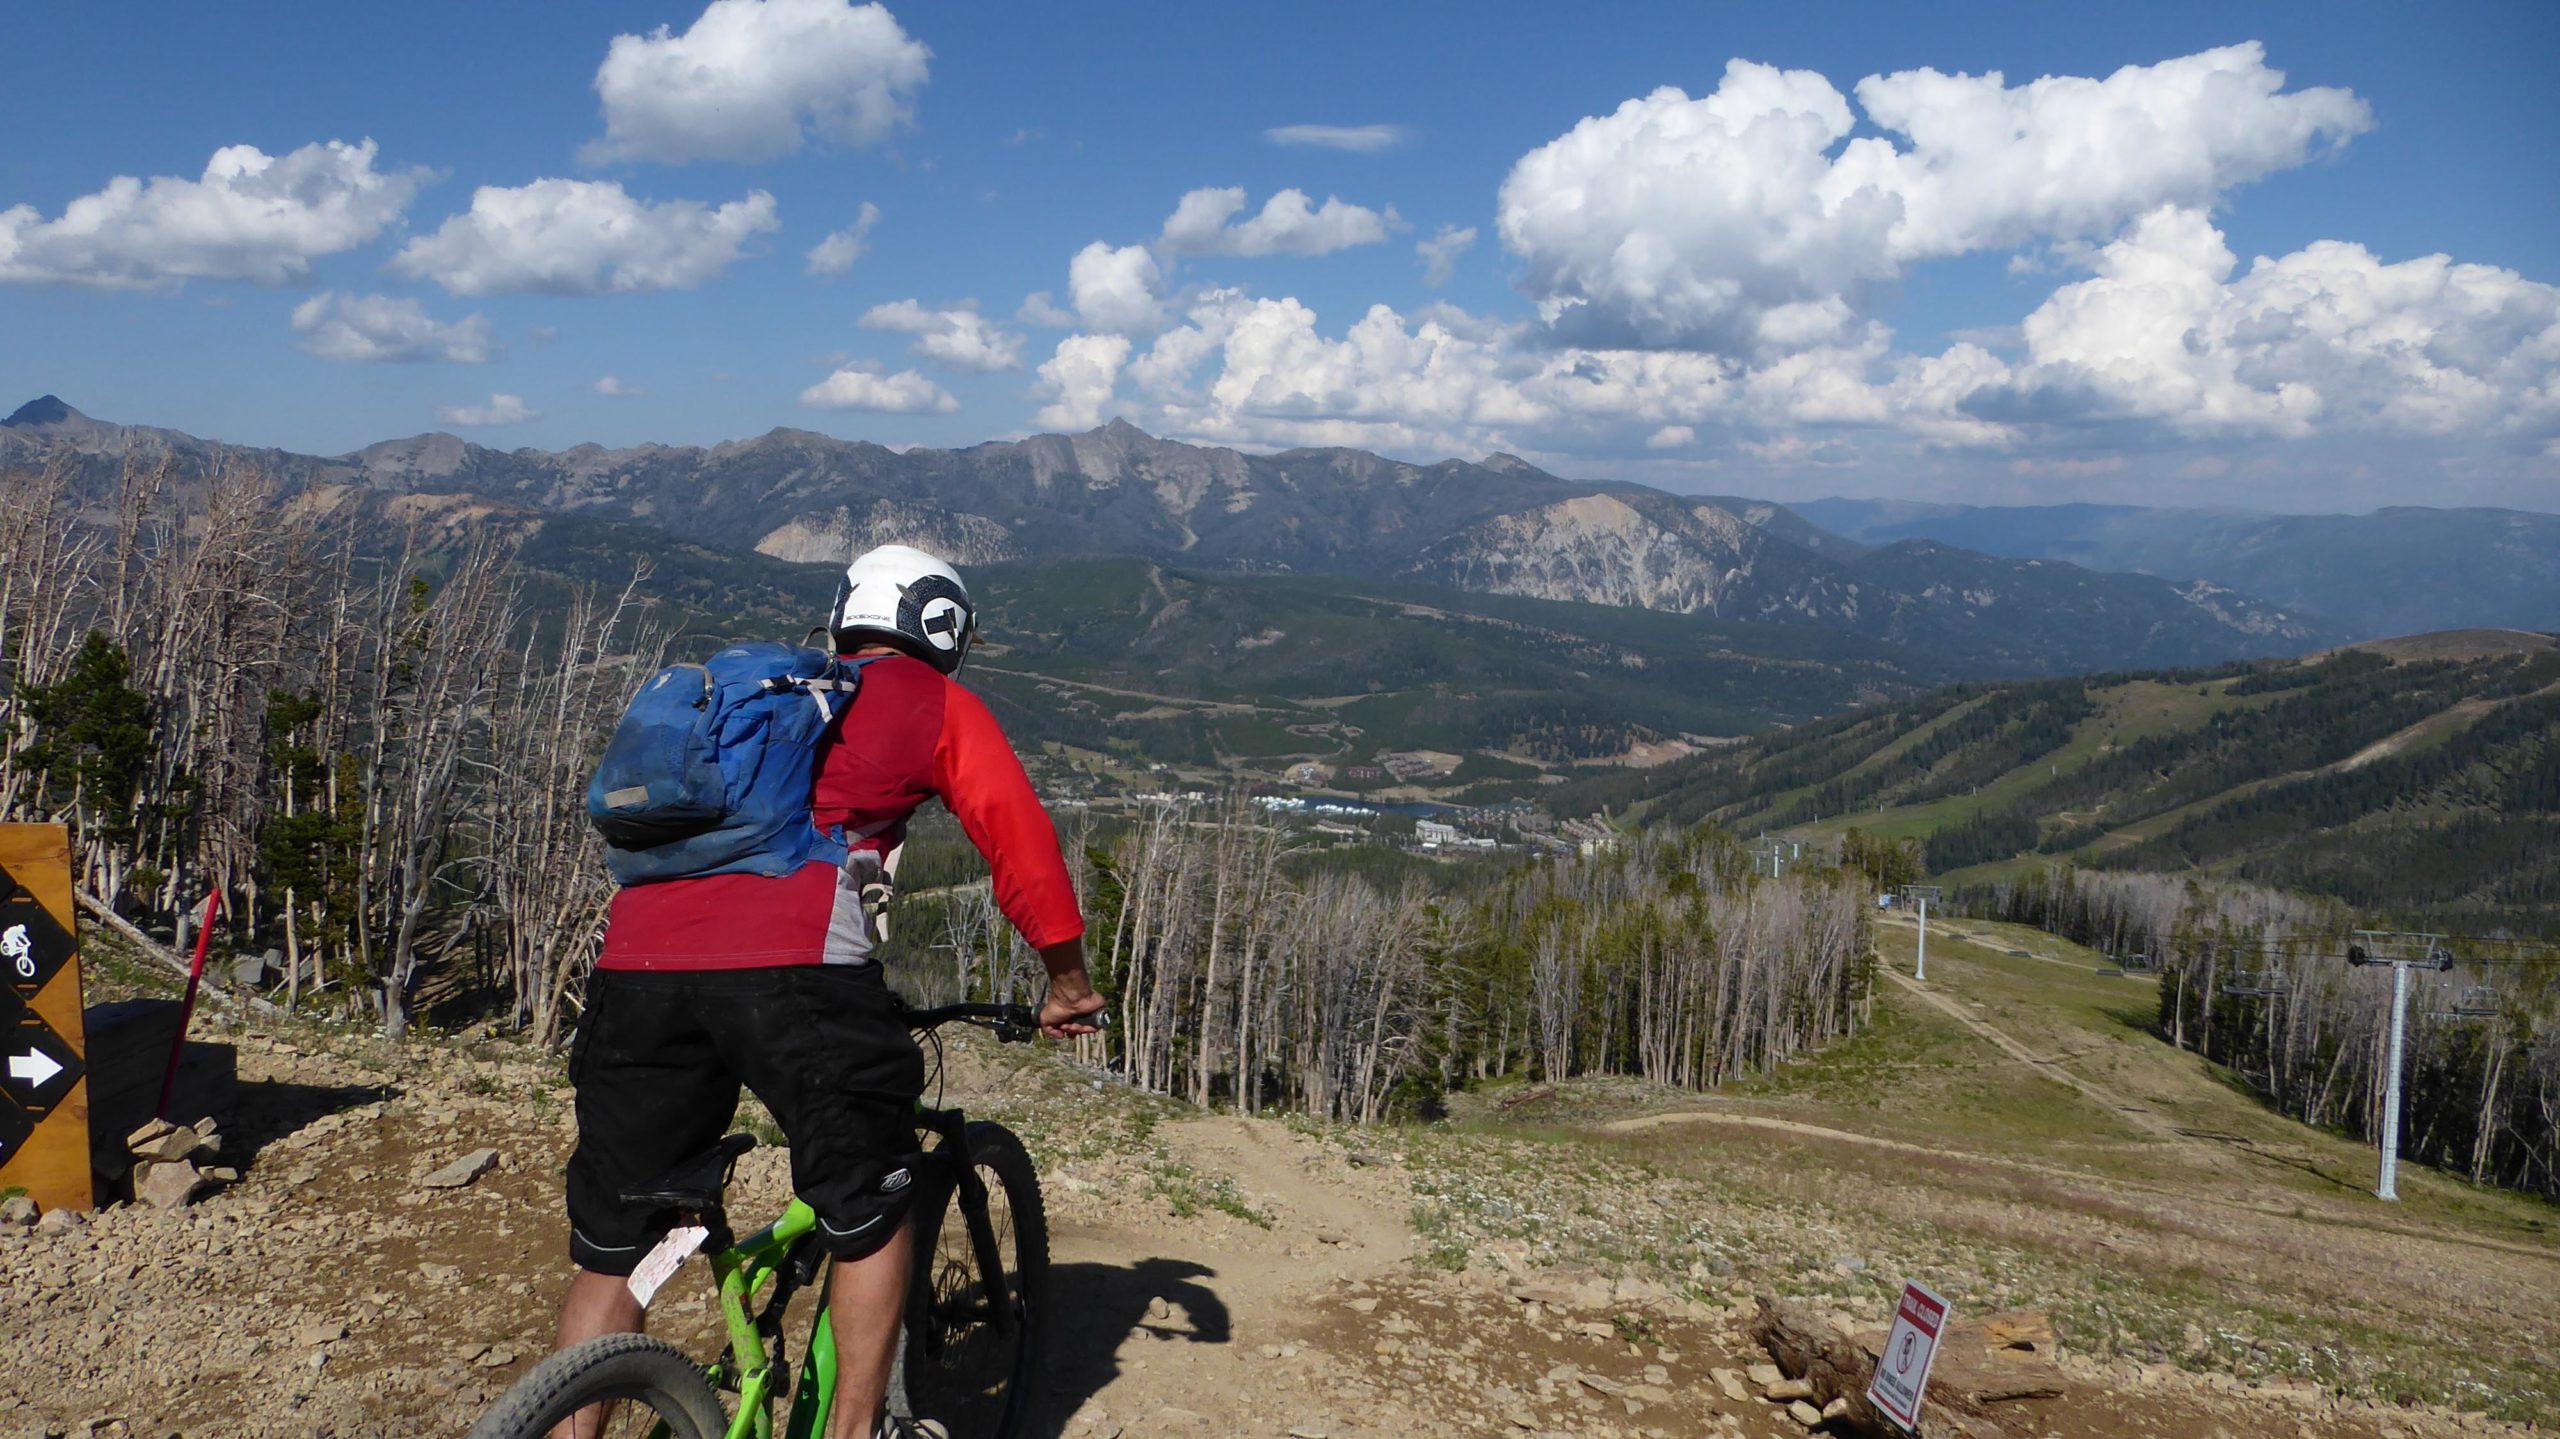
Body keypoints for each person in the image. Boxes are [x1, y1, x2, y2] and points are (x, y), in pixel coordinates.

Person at [552, 544, 1105, 1439]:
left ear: (846, 613)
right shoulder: (931, 704)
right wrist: (1066, 982)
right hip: (795, 970)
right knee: (874, 1204)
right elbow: (1020, 838)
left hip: (635, 969)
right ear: (944, 628)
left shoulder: (772, 700)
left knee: (617, 1248)